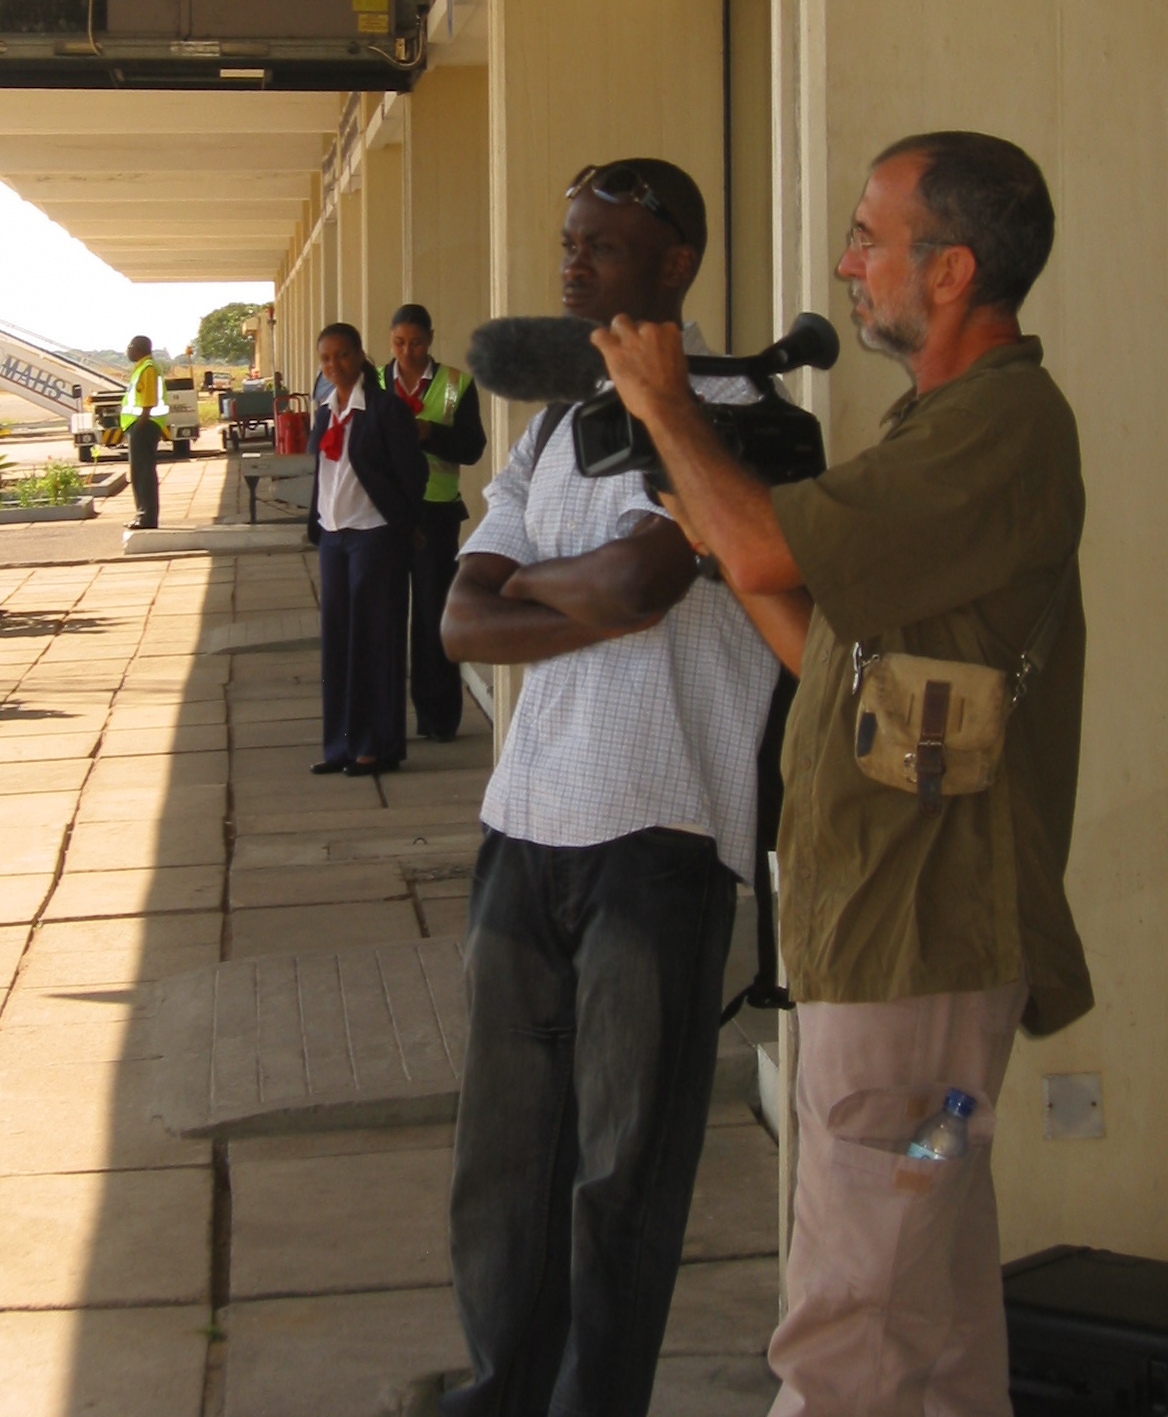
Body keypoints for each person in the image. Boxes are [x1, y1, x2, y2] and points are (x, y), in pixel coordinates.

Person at [590, 131, 1092, 1417]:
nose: (846, 261)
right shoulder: (948, 424)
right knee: (925, 1291)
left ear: (952, 270)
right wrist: (715, 534)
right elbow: (832, 654)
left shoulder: (999, 423)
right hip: (910, 962)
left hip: (918, 950)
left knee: (851, 1317)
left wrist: (668, 408)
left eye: (872, 235)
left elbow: (769, 548)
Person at [437, 159, 797, 1417]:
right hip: (525, 822)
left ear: (676, 263)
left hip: (667, 829)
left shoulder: (737, 418)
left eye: (603, 242)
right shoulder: (551, 422)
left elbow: (641, 592)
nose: (572, 260)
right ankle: (503, 1387)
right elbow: (460, 626)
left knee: (620, 1170)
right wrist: (566, 582)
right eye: (568, 235)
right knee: (505, 1154)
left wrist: (541, 581)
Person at [308, 322, 428, 779]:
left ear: (359, 355)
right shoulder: (325, 411)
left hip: (374, 535)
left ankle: (375, 746)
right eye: (325, 358)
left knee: (376, 640)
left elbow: (411, 474)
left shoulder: (384, 410)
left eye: (341, 355)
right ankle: (340, 744)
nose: (333, 365)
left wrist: (401, 523)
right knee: (338, 643)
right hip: (334, 537)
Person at [383, 303, 487, 742]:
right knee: (385, 617)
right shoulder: (375, 382)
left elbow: (472, 448)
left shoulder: (456, 385)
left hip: (437, 513)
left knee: (433, 615)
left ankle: (438, 719)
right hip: (384, 515)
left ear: (431, 338)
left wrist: (431, 434)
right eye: (399, 343)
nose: (408, 352)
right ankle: (384, 721)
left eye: (417, 343)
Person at [121, 334, 168, 531]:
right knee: (140, 472)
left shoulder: (147, 368)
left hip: (144, 425)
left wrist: (140, 424)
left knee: (143, 473)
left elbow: (149, 400)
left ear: (139, 348)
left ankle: (146, 518)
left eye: (130, 346)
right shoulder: (142, 367)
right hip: (140, 425)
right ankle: (143, 514)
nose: (128, 350)